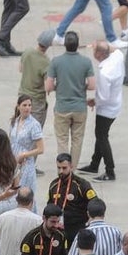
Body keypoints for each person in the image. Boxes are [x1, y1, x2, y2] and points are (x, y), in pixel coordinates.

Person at [46, 32, 96, 165]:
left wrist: (61, 86)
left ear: (65, 45)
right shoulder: (86, 62)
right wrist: (80, 85)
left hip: (62, 107)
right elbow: (92, 85)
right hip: (80, 107)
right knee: (77, 140)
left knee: (62, 140)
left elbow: (49, 86)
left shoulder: (56, 62)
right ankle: (72, 169)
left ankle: (63, 167)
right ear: (78, 45)